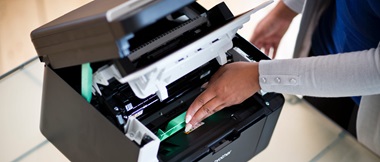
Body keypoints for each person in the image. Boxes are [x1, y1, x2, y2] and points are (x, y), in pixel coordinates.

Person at [185, 0, 380, 156]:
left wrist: (259, 76)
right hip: (329, 43)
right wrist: (286, 9)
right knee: (318, 133)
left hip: (370, 96)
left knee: (355, 153)